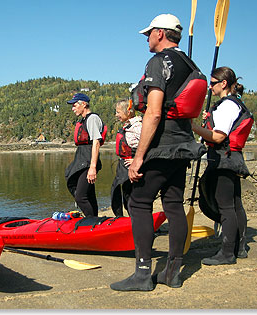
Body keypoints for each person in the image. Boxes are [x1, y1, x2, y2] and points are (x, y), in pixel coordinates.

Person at [110, 14, 206, 291]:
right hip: (183, 144)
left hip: (162, 145)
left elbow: (153, 113)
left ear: (161, 33)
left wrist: (138, 157)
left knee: (138, 203)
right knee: (173, 204)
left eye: (148, 33)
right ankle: (172, 272)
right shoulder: (189, 63)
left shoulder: (158, 62)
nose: (146, 38)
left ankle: (142, 274)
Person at [191, 66, 253, 265]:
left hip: (223, 159)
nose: (210, 87)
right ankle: (239, 248)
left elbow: (218, 136)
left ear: (224, 83)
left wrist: (194, 127)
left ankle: (227, 253)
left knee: (226, 206)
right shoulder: (233, 104)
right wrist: (206, 124)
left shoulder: (227, 106)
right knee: (235, 204)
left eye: (213, 83)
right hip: (232, 158)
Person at [65, 93, 107, 217]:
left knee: (81, 197)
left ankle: (90, 221)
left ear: (83, 104)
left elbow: (96, 142)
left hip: (88, 161)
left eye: (75, 105)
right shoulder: (83, 120)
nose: (73, 108)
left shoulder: (92, 118)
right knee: (88, 194)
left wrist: (92, 167)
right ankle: (94, 220)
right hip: (82, 158)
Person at [111, 99, 142, 216]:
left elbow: (150, 145)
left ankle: (137, 222)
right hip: (123, 165)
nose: (116, 115)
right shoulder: (127, 126)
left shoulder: (137, 126)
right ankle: (125, 219)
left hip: (133, 166)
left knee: (131, 197)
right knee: (120, 193)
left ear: (128, 112)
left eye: (118, 112)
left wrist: (136, 160)